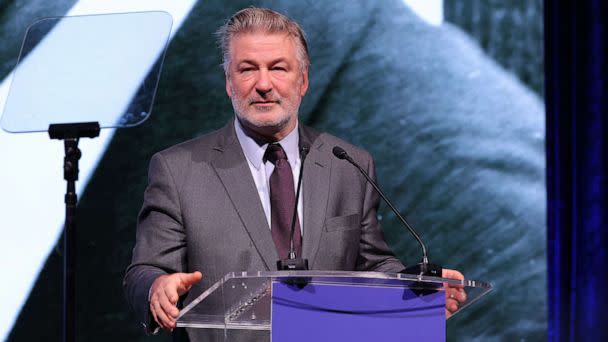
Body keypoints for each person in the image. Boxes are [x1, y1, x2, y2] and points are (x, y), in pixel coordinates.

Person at [124, 7, 465, 340]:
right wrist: (156, 289)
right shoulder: (179, 169)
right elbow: (143, 271)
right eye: (247, 69)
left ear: (302, 81)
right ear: (229, 82)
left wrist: (415, 293)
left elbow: (372, 266)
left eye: (278, 68)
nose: (263, 84)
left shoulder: (347, 164)